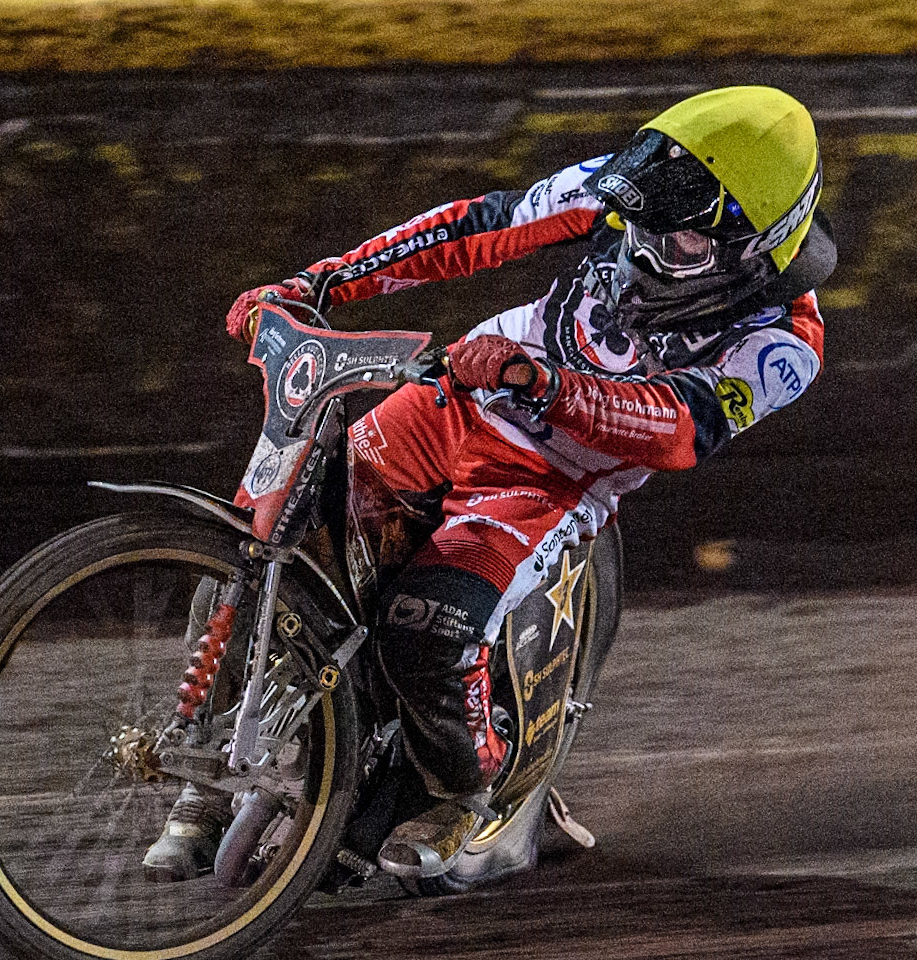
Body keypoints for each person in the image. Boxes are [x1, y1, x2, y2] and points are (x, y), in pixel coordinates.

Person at [144, 85, 837, 881]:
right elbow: (480, 227)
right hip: (455, 399)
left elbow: (676, 428)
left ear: (759, 246)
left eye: (675, 246)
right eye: (636, 226)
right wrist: (321, 284)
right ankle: (200, 787)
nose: (642, 251)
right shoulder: (626, 188)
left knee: (427, 628)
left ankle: (461, 792)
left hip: (549, 479)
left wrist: (545, 386)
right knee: (269, 544)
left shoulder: (786, 341)